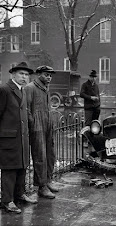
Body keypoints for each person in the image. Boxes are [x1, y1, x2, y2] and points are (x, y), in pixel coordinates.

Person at [0, 62, 38, 214]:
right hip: (8, 139)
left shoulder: (22, 91)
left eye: (27, 74)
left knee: (22, 167)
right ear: (13, 74)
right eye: (21, 74)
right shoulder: (4, 90)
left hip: (21, 138)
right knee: (9, 170)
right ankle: (7, 201)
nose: (25, 77)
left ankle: (19, 195)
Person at [25, 65, 59, 199]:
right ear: (38, 74)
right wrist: (32, 124)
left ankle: (48, 180)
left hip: (47, 123)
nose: (49, 77)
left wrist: (51, 121)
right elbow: (27, 109)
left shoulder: (46, 88)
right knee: (40, 156)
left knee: (51, 154)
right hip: (37, 125)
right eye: (46, 74)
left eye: (50, 75)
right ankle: (41, 186)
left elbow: (47, 107)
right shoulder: (30, 88)